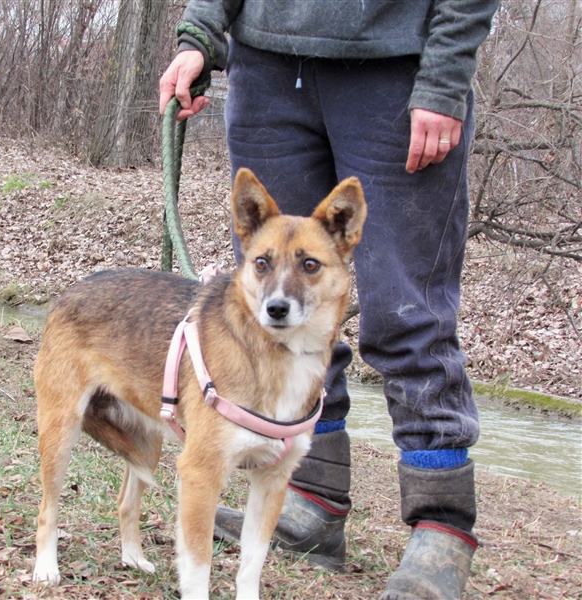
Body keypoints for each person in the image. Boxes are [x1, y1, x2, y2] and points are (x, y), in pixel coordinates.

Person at [159, 2, 500, 599]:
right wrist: (199, 33)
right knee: (279, 310)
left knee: (408, 313)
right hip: (267, 69)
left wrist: (444, 78)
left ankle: (440, 524)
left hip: (396, 69)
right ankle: (312, 496)